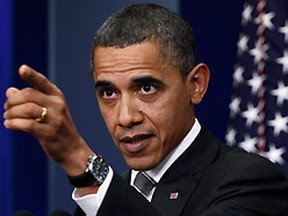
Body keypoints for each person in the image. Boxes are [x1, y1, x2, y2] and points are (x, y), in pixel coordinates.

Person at [3, 3, 288, 216]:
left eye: (147, 88)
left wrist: (77, 157)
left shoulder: (250, 181)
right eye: (109, 93)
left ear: (196, 85)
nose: (126, 117)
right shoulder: (107, 198)